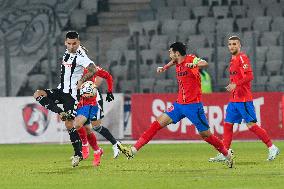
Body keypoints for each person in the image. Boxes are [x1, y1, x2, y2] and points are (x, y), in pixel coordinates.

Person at [119, 42, 234, 168]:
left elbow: (205, 63)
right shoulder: (177, 61)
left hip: (194, 106)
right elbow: (174, 62)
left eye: (170, 51)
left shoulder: (191, 59)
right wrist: (164, 67)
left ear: (177, 53)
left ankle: (227, 154)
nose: (169, 54)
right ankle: (133, 151)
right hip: (179, 105)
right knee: (156, 124)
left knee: (206, 135)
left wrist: (194, 64)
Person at [209, 36, 280, 162]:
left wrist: (236, 84)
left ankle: (272, 147)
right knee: (227, 124)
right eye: (230, 44)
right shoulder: (232, 60)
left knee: (251, 125)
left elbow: (250, 75)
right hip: (234, 99)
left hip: (244, 99)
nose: (232, 46)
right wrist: (233, 85)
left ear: (239, 45)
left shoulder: (242, 57)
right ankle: (225, 152)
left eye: (234, 44)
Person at [33, 31, 98, 167]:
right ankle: (60, 112)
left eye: (74, 44)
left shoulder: (81, 57)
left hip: (72, 95)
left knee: (69, 124)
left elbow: (93, 69)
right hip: (61, 90)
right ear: (65, 43)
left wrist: (81, 80)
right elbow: (77, 49)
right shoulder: (69, 51)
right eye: (69, 43)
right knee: (38, 94)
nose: (71, 46)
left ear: (78, 43)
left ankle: (78, 154)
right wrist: (81, 47)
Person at [75, 67, 122, 166]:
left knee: (96, 127)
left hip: (94, 101)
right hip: (81, 102)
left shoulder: (91, 67)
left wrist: (109, 91)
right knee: (83, 126)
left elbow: (106, 76)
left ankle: (115, 144)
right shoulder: (70, 68)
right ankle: (95, 150)